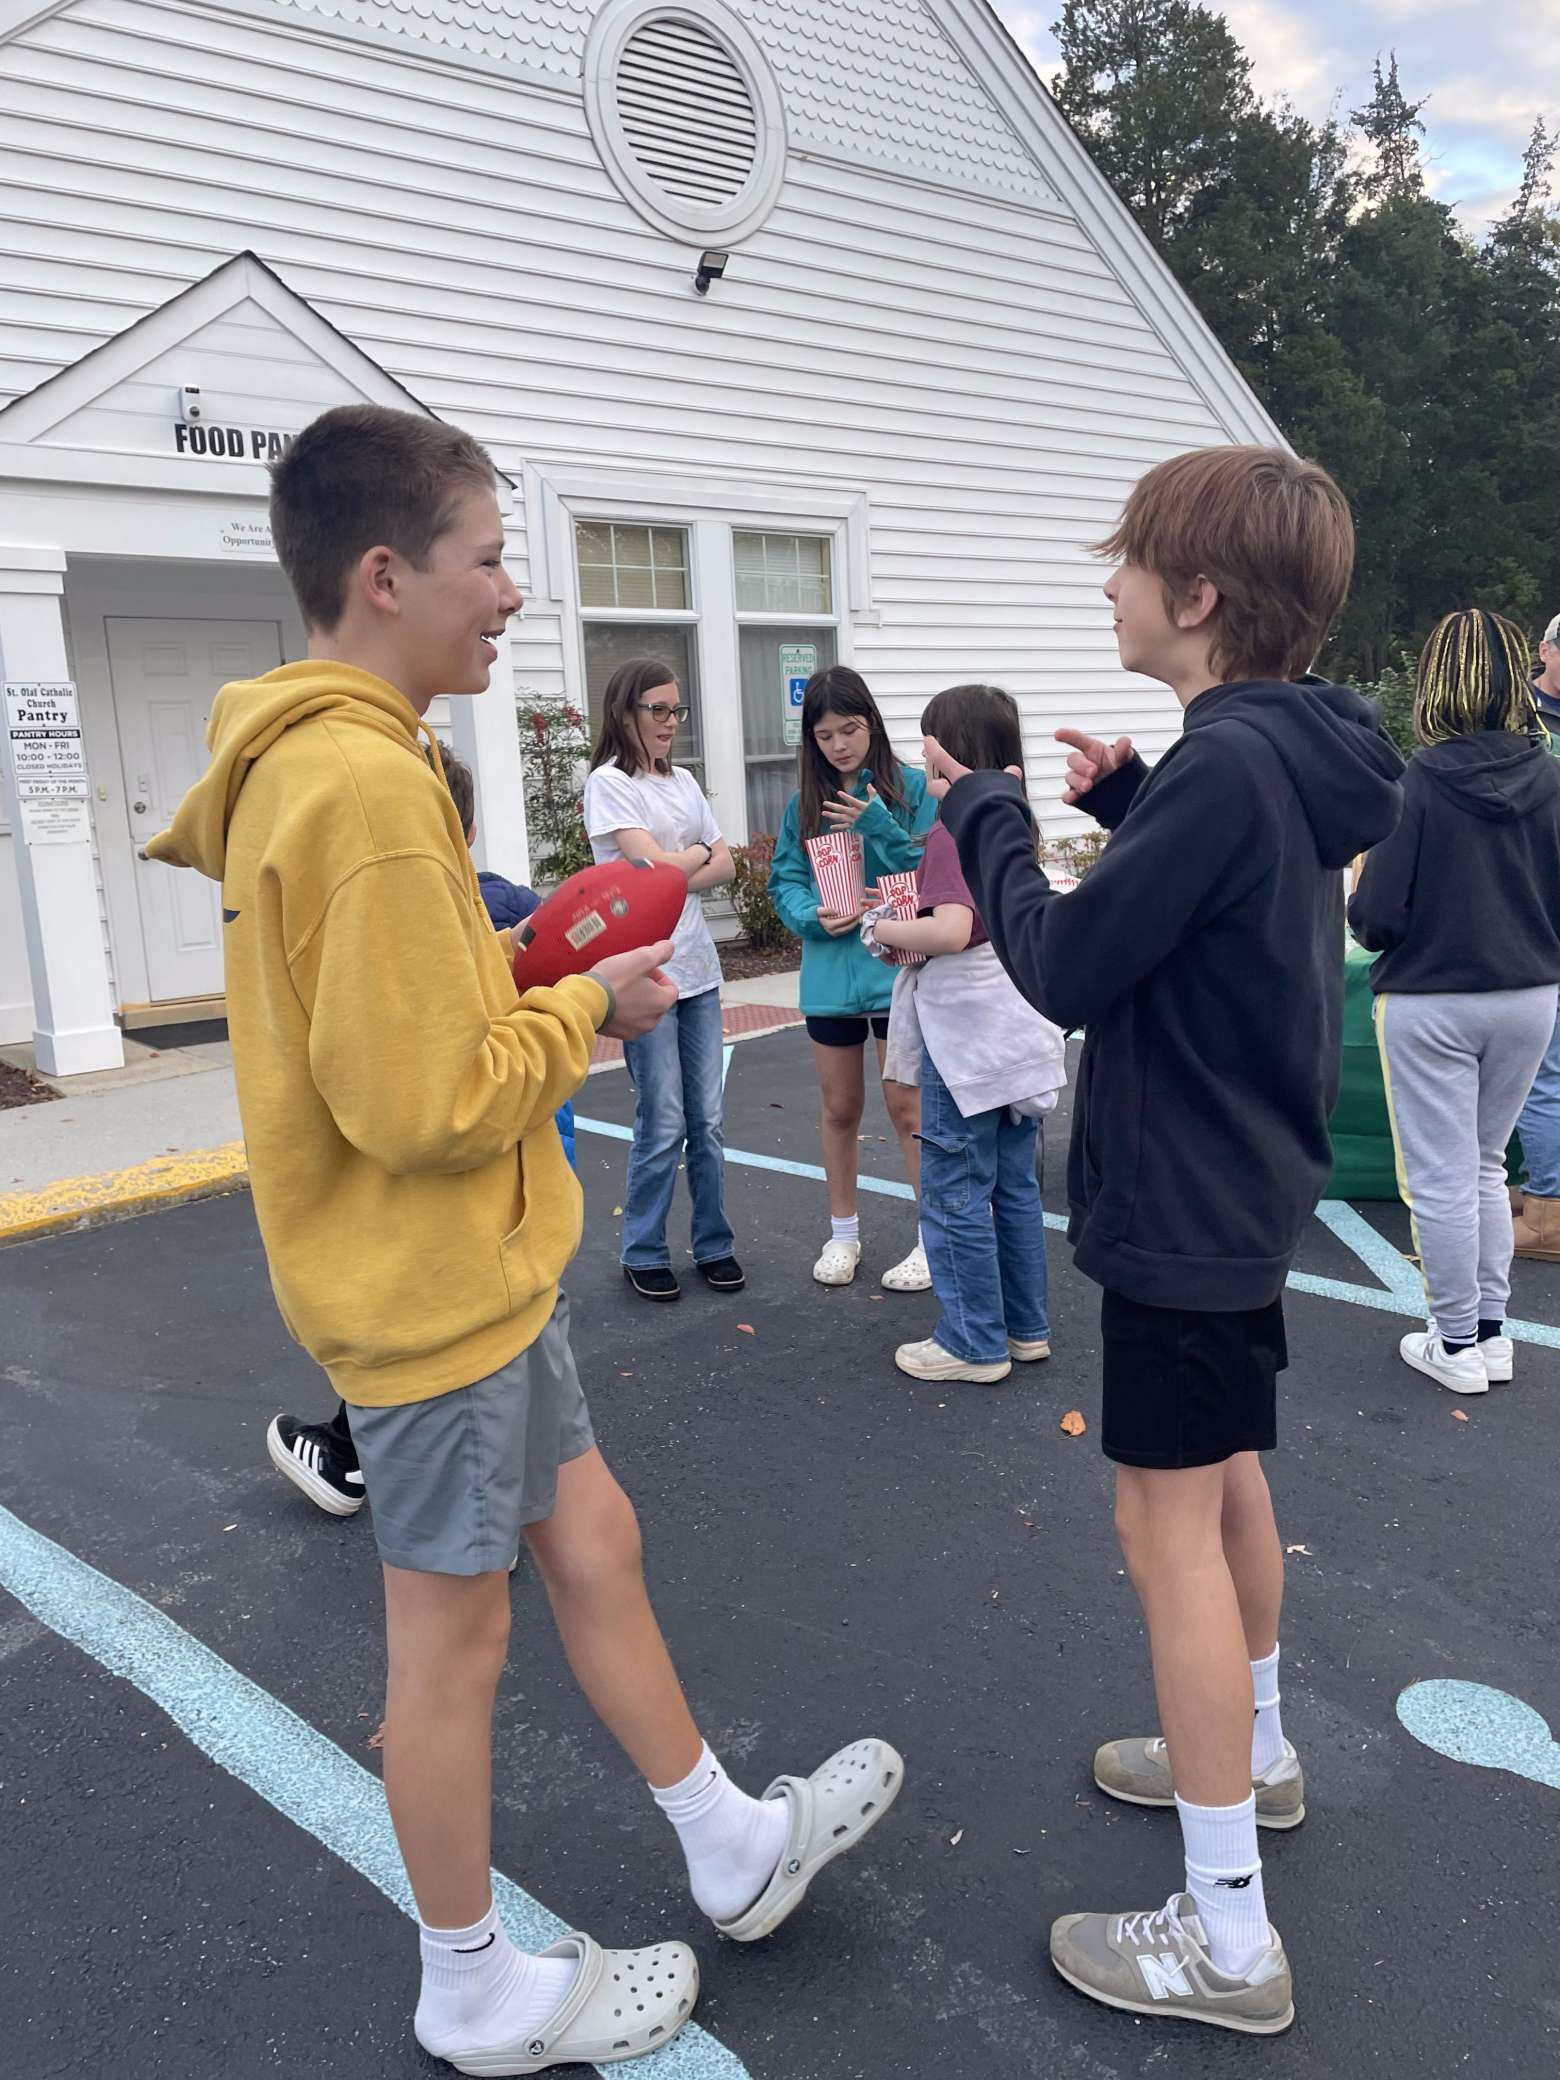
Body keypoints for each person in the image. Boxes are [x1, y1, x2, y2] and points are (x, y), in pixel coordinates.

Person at [149, 404, 902, 2075]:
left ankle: (727, 1841)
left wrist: (516, 972)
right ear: (384, 573)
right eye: (488, 560)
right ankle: (470, 1983)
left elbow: (388, 1022)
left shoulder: (353, 761)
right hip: (426, 1293)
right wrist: (583, 1010)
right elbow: (422, 1102)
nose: (510, 594)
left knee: (597, 1540)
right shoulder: (359, 784)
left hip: (474, 1279)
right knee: (451, 1649)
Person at [929, 445, 1402, 2034]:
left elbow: (1065, 966)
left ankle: (1226, 1937)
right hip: (1239, 1194)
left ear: (1197, 598)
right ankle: (1253, 1753)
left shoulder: (1227, 769)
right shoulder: (1271, 758)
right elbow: (1236, 910)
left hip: (1185, 1205)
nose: (1111, 586)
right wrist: (1132, 800)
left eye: (1128, 563)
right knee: (1226, 1483)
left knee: (1165, 1536)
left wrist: (990, 815)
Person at [267, 745, 574, 1515]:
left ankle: (356, 1461)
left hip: (452, 1256)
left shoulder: (388, 899)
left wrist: (583, 1007)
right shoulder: (443, 893)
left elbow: (434, 1110)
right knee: (552, 1500)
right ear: (463, 830)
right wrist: (582, 1003)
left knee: (478, 1523)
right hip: (515, 1220)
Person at [1349, 611, 1560, 1388]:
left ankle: (1456, 1339)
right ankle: (1490, 1334)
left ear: (1435, 683)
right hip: (1530, 996)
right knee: (1483, 1167)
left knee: (1442, 1177)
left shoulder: (1416, 784)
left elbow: (1375, 919)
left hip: (1433, 999)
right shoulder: (1552, 778)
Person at [870, 684, 1065, 1384]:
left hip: (965, 1048)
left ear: (950, 755)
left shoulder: (955, 829)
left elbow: (951, 931)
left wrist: (883, 928)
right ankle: (1024, 1328)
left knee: (955, 1190)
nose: (922, 766)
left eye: (928, 749)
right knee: (1013, 1189)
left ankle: (972, 1341)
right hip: (1016, 1040)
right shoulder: (1016, 821)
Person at [768, 665, 936, 1290]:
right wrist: (811, 915)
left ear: (872, 724)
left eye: (850, 729)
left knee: (908, 1105)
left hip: (900, 970)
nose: (839, 745)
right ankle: (843, 1234)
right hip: (832, 976)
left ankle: (933, 1238)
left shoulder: (915, 788)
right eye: (825, 735)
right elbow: (785, 880)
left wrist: (879, 826)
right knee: (840, 1107)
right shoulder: (804, 805)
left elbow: (933, 867)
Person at [582, 660, 742, 1302]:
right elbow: (652, 870)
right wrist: (696, 854)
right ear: (625, 713)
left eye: (677, 710)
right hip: (644, 975)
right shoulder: (609, 783)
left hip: (698, 969)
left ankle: (714, 1244)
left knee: (709, 1121)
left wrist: (682, 866)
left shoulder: (684, 780)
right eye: (658, 710)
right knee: (664, 1118)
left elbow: (726, 865)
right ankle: (643, 1249)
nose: (671, 722)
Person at [1512, 608, 1560, 1255]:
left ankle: (1548, 1210)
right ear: (1546, 650)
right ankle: (1543, 1189)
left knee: (1544, 1072)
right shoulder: (1520, 715)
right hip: (1531, 903)